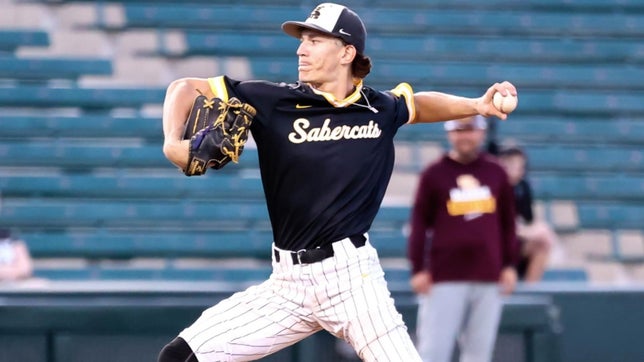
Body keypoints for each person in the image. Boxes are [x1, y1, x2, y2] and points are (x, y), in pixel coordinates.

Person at [158, 3, 518, 362]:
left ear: (347, 52)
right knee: (180, 358)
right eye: (302, 40)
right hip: (287, 286)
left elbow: (418, 106)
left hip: (352, 281)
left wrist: (477, 105)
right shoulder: (272, 100)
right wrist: (174, 144)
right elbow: (184, 87)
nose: (301, 49)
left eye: (314, 40)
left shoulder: (379, 108)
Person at [407, 115, 519, 362]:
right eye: (459, 130)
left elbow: (508, 223)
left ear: (480, 132)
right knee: (433, 351)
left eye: (470, 129)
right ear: (450, 133)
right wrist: (418, 268)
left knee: (479, 353)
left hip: (489, 274)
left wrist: (510, 265)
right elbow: (418, 224)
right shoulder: (433, 174)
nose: (464, 135)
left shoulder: (496, 172)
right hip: (444, 276)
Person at [497, 146, 556, 282]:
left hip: (513, 240)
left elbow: (527, 220)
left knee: (542, 243)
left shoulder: (522, 188)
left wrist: (539, 230)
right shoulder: (493, 188)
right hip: (495, 242)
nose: (517, 169)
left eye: (520, 165)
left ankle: (530, 291)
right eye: (510, 164)